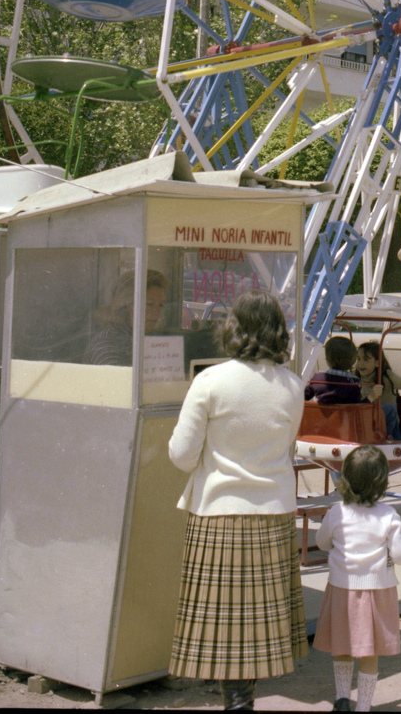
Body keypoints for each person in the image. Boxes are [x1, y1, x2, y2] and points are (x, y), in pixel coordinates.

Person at [168, 290, 307, 711]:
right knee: (254, 625)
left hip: (221, 512)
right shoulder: (292, 385)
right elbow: (287, 446)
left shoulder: (210, 381)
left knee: (227, 623)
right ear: (278, 333)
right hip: (273, 512)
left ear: (234, 329)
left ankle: (237, 702)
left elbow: (181, 455)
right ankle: (242, 699)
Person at [313, 444, 401, 712]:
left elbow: (321, 542)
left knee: (342, 645)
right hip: (377, 591)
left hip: (341, 588)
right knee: (369, 652)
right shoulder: (388, 515)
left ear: (345, 477)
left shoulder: (337, 511)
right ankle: (364, 707)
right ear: (382, 481)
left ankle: (342, 699)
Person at [84, 270, 167, 365]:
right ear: (127, 305)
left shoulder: (150, 337)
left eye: (161, 305)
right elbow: (115, 378)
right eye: (149, 304)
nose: (157, 312)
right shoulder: (107, 342)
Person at [355, 341, 401, 440]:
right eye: (358, 359)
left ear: (377, 363)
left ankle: (388, 440)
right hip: (365, 420)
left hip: (379, 420)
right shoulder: (355, 379)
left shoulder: (386, 378)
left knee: (390, 410)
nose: (360, 363)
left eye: (366, 360)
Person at [305, 335, 362, 403]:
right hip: (344, 413)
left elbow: (303, 397)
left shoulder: (317, 378)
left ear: (328, 358)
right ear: (352, 359)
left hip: (319, 413)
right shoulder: (354, 382)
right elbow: (356, 404)